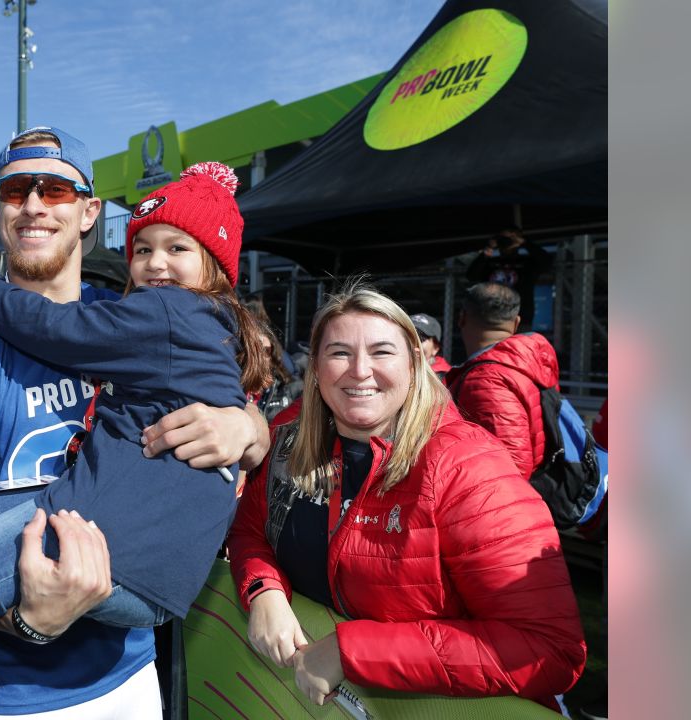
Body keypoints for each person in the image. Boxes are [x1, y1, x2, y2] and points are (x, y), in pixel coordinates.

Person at [0, 126, 269, 720]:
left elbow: (238, 394)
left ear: (89, 212)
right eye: (16, 190)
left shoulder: (123, 317)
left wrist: (246, 426)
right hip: (14, 698)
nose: (34, 204)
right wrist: (38, 620)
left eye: (55, 190)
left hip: (129, 665)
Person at [225, 280, 585, 710]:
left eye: (381, 352)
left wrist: (353, 651)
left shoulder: (467, 466)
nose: (359, 370)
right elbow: (249, 530)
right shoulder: (291, 434)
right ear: (316, 368)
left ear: (415, 364)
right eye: (339, 352)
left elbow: (549, 647)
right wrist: (263, 589)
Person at [447, 282, 558, 481]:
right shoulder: (529, 364)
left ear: (461, 318)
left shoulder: (486, 380)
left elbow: (510, 468)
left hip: (498, 503)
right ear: (516, 323)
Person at [466, 227, 550, 333]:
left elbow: (547, 262)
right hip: (491, 317)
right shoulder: (490, 263)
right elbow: (471, 276)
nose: (507, 242)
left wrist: (525, 243)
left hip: (520, 318)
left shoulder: (527, 263)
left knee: (517, 348)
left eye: (511, 238)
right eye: (503, 238)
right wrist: (487, 251)